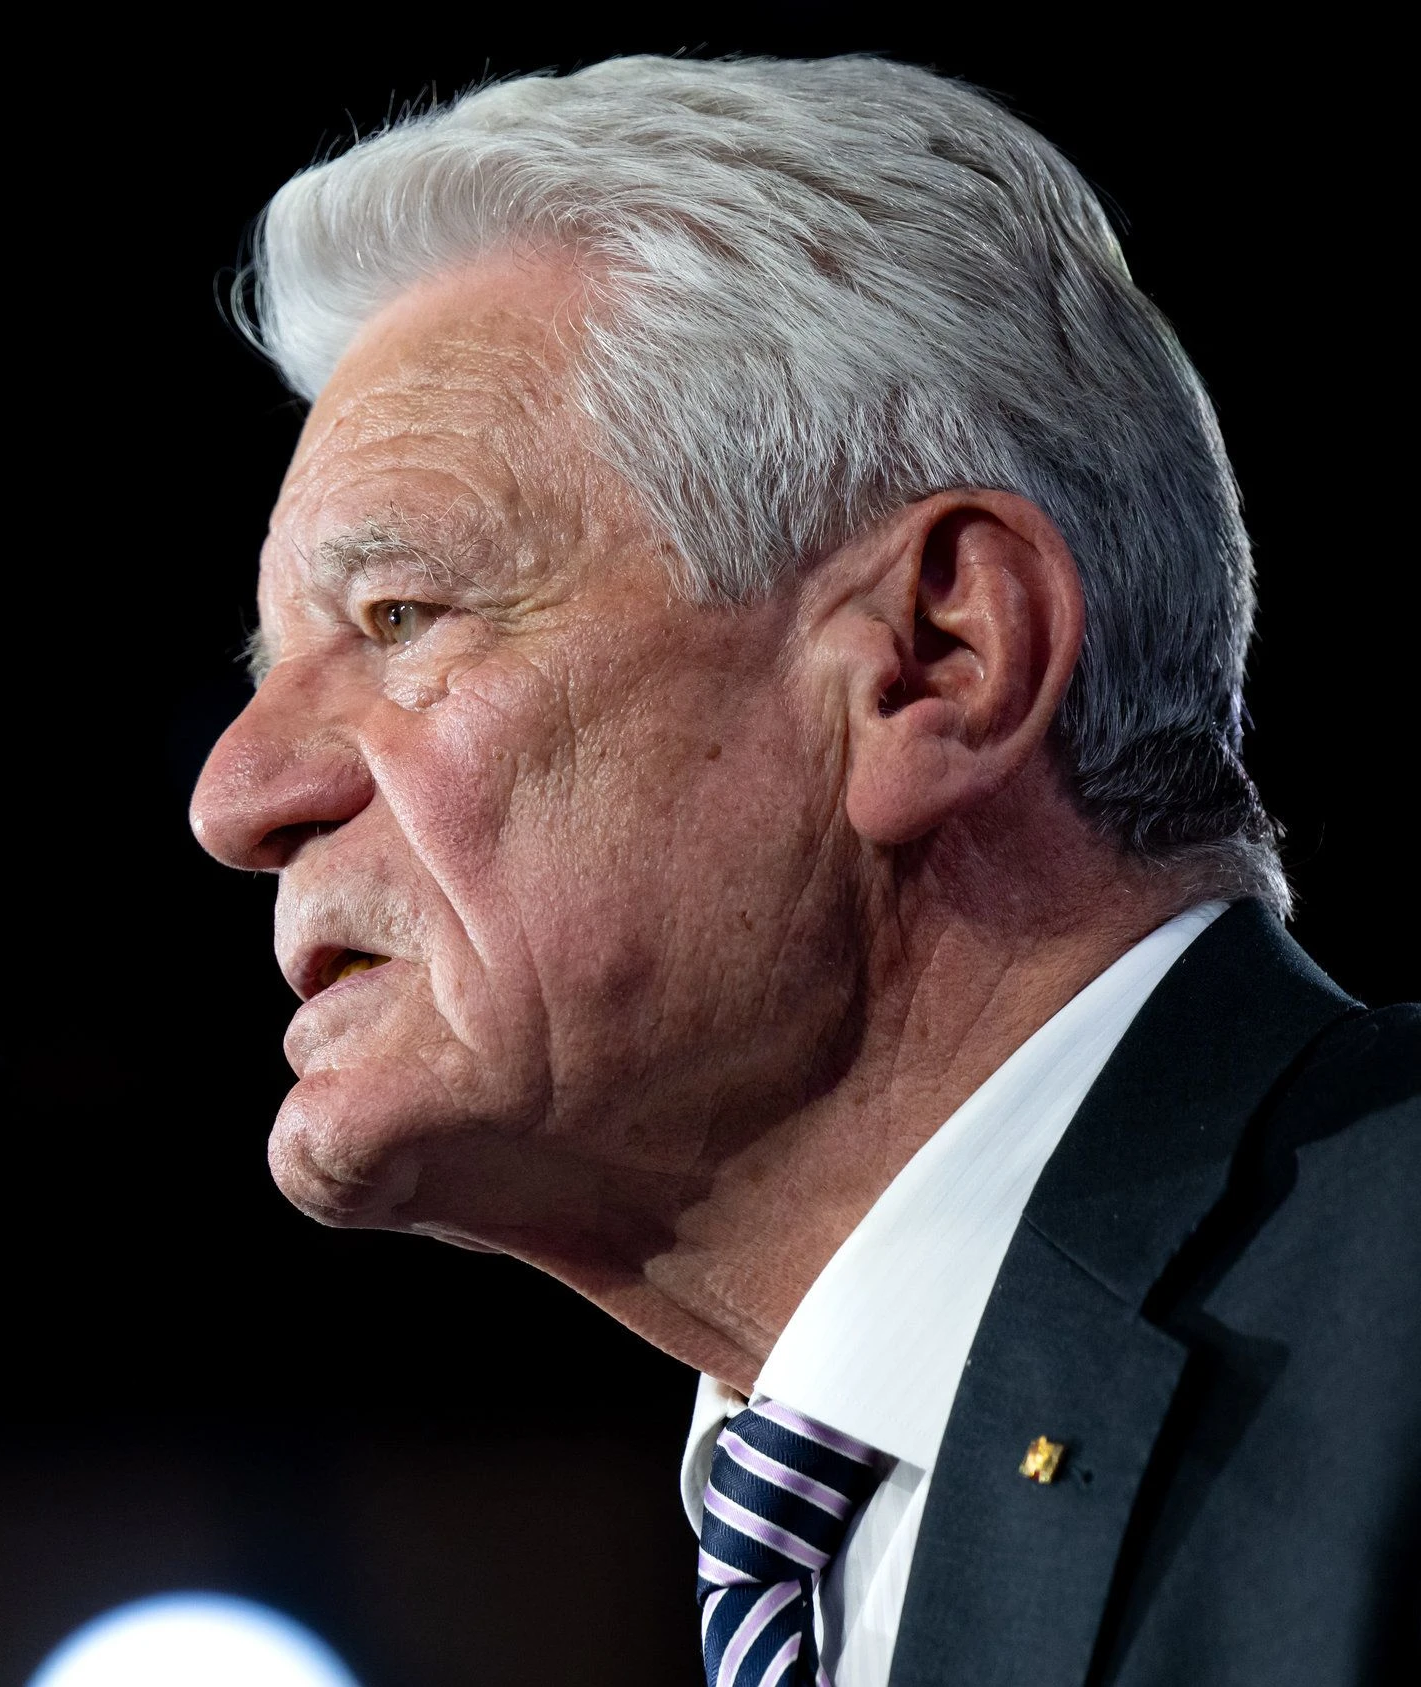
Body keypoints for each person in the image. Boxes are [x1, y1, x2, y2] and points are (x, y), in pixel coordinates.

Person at [187, 55, 1415, 1687]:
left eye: (400, 618)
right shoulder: (812, 1538)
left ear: (935, 655)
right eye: (269, 668)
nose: (238, 797)